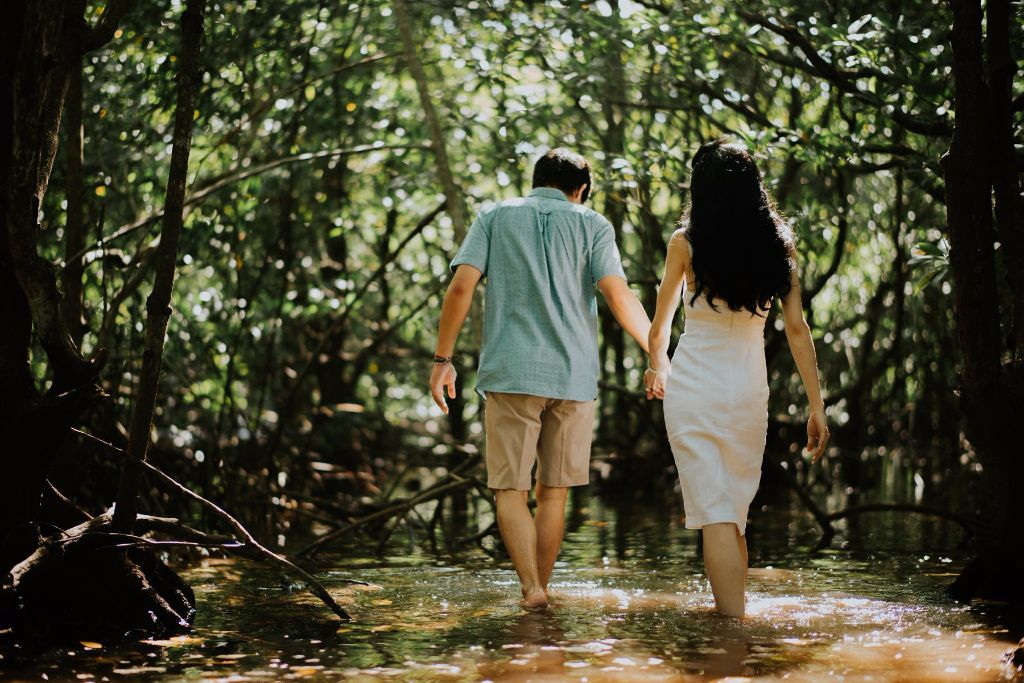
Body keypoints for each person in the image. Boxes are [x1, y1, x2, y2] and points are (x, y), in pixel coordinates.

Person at [429, 148, 651, 608]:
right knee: (553, 494)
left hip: (512, 372)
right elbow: (617, 294)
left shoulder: (494, 216)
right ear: (581, 189)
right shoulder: (593, 223)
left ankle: (531, 589)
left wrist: (442, 358)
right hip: (572, 375)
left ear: (535, 181)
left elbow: (462, 286)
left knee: (510, 489)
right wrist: (658, 352)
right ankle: (541, 590)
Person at [644, 139, 829, 618]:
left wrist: (657, 365)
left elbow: (660, 325)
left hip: (693, 387)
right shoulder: (778, 244)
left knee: (717, 514)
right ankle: (736, 623)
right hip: (748, 388)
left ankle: (731, 634)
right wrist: (816, 405)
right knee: (732, 514)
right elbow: (796, 328)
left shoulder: (685, 242)